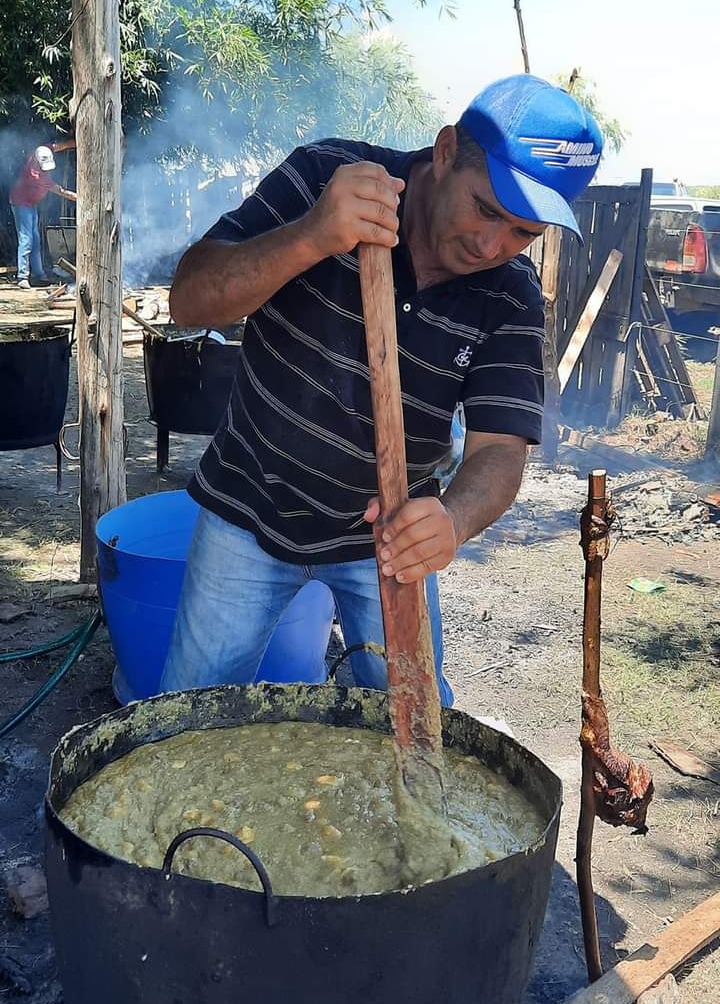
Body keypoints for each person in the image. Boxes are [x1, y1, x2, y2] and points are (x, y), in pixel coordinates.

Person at [162, 74, 603, 701]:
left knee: (415, 726)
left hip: (391, 541)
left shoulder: (511, 294)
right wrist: (312, 235)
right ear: (445, 151)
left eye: (523, 233)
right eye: (485, 209)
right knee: (187, 721)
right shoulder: (325, 178)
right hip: (248, 508)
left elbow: (499, 451)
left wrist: (452, 520)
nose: (491, 245)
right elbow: (189, 300)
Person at [9, 141, 76, 288]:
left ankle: (39, 274)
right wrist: (80, 198)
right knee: (26, 239)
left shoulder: (40, 152)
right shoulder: (37, 176)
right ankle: (23, 277)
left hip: (30, 204)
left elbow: (56, 146)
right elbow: (61, 191)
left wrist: (73, 143)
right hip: (21, 203)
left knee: (35, 240)